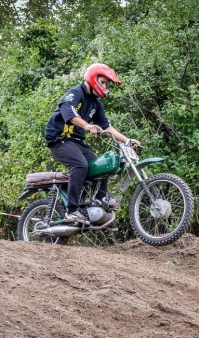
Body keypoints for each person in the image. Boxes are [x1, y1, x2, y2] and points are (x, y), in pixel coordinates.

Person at [45, 63, 141, 224]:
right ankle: (72, 211)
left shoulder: (96, 103)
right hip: (59, 138)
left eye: (106, 84)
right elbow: (68, 112)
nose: (104, 86)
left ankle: (99, 198)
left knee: (102, 164)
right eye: (103, 82)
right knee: (80, 165)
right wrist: (87, 126)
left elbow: (107, 127)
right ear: (93, 78)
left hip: (76, 141)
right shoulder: (75, 93)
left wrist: (127, 140)